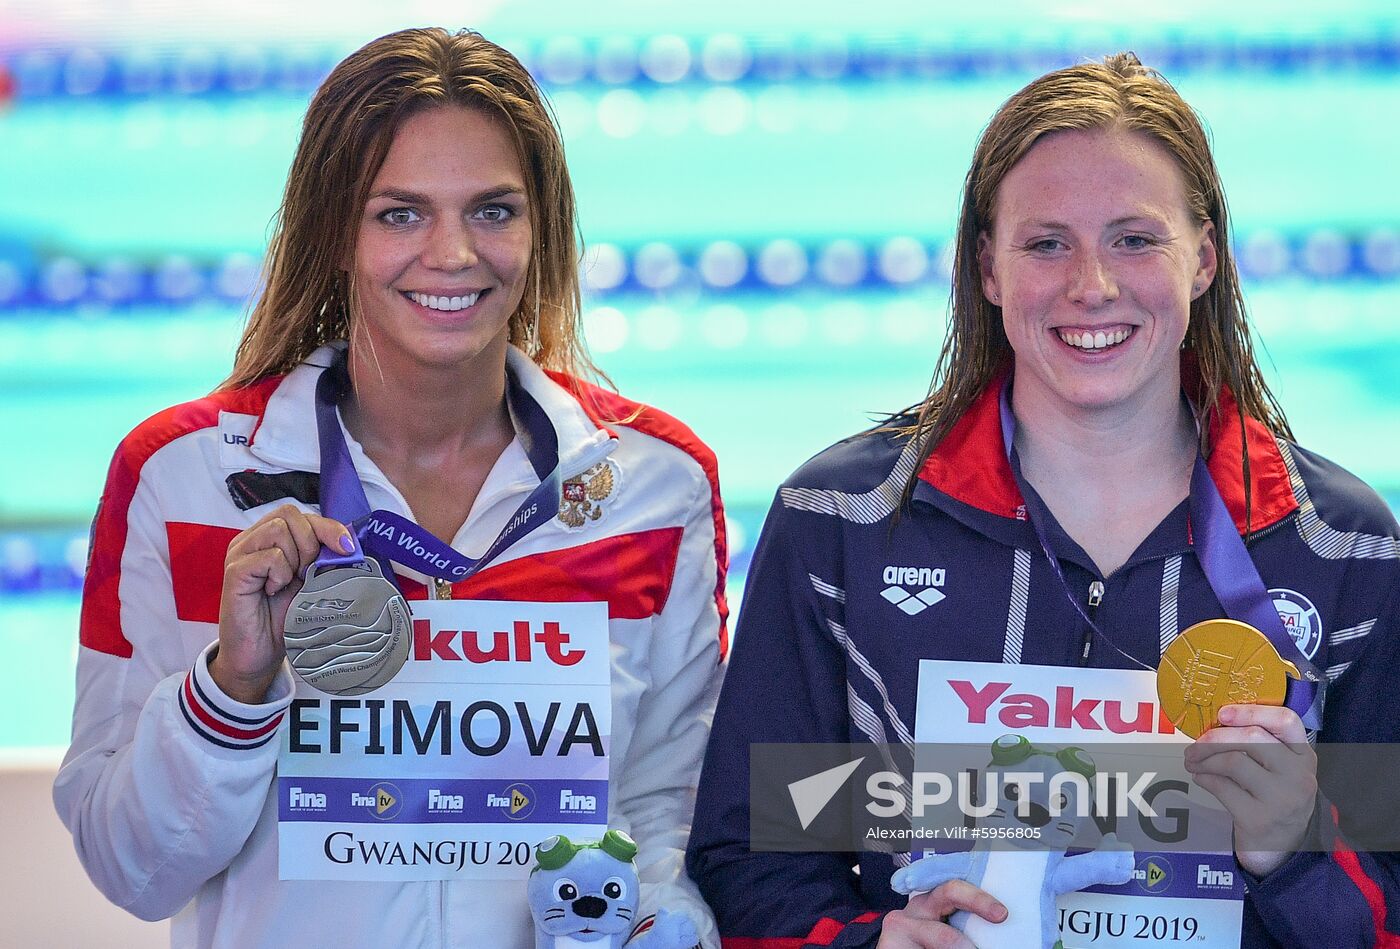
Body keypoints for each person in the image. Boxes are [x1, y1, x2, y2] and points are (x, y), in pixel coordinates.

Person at [687, 52, 1400, 948]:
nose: (1091, 285)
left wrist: (1299, 853)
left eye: (1135, 239)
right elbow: (752, 852)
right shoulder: (843, 524)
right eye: (1046, 242)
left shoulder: (1341, 551)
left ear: (1205, 258)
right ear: (988, 267)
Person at [55, 28, 727, 949]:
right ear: (335, 232)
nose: (452, 253)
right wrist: (233, 685)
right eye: (400, 213)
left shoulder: (653, 486)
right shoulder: (186, 479)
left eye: (493, 211)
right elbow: (128, 869)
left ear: (542, 229)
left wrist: (664, 921)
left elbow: (662, 821)